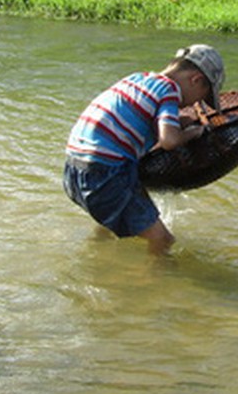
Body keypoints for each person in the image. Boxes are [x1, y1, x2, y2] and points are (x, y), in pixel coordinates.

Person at [63, 44, 226, 255]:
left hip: (74, 168)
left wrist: (181, 121)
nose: (193, 104)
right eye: (201, 98)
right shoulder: (170, 91)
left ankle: (97, 257)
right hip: (106, 174)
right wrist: (194, 133)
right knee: (163, 240)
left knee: (108, 219)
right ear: (195, 80)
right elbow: (169, 140)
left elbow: (139, 119)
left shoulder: (138, 79)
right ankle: (153, 284)